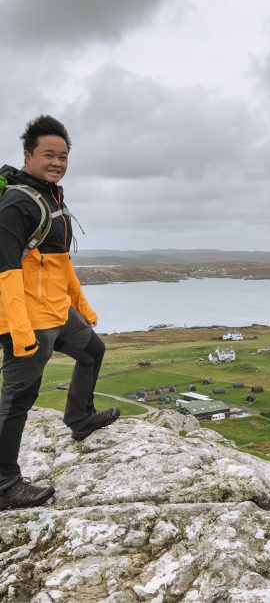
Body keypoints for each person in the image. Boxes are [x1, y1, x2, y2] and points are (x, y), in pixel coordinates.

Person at [0, 115, 120, 510]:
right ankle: (4, 485)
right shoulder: (17, 203)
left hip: (57, 311)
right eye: (48, 154)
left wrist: (81, 308)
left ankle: (80, 419)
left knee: (93, 351)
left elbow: (60, 264)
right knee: (18, 398)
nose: (57, 162)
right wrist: (19, 332)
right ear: (27, 155)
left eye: (63, 155)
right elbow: (7, 272)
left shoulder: (51, 197)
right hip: (26, 319)